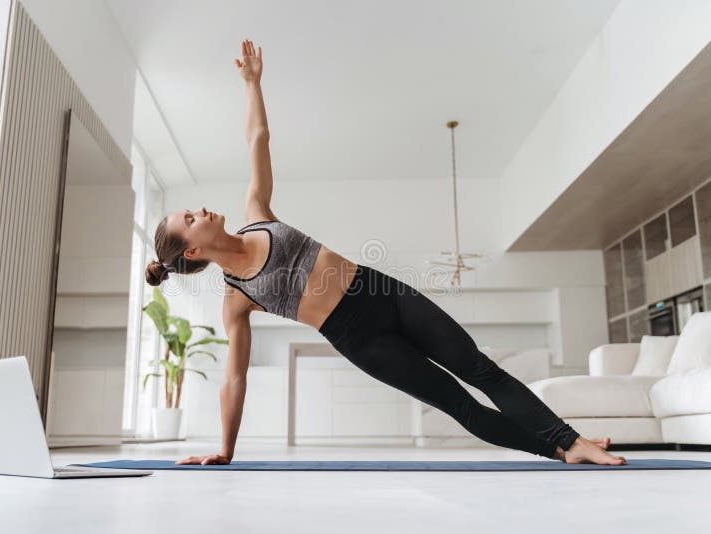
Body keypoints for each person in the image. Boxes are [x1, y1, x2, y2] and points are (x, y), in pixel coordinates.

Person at [145, 39, 627, 467]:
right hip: (359, 339)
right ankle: (560, 449)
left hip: (383, 292)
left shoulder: (257, 214)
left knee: (480, 367)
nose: (199, 211)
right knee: (460, 406)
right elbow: (234, 379)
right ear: (192, 249)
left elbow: (258, 139)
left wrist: (252, 84)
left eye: (191, 211)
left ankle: (572, 438)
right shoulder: (236, 300)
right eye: (189, 219)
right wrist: (225, 449)